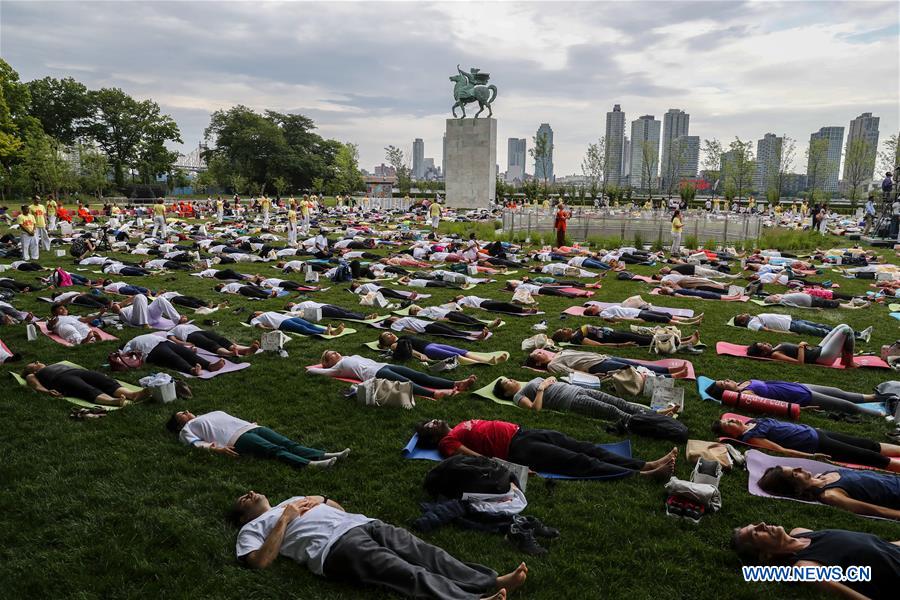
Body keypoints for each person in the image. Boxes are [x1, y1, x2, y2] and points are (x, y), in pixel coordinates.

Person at [230, 490, 525, 600]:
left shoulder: (290, 498)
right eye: (243, 499)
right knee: (404, 571)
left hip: (363, 524)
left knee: (426, 553)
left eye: (250, 491)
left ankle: (487, 579)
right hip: (334, 549)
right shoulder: (251, 529)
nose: (250, 492)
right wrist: (285, 519)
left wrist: (320, 499)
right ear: (243, 516)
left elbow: (338, 506)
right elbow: (259, 562)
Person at [416, 418, 677, 480]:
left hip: (524, 433)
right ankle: (642, 475)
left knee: (586, 447)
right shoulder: (446, 442)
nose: (435, 420)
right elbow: (475, 458)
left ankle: (647, 464)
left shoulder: (457, 425)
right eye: (430, 425)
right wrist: (510, 470)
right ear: (433, 436)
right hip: (517, 449)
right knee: (577, 460)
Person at [731, 524, 900, 599]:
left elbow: (876, 546)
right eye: (756, 533)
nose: (762, 524)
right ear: (765, 556)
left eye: (755, 524)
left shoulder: (801, 533)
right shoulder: (804, 567)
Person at [167, 410, 347, 469]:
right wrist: (216, 449)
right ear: (178, 423)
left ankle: (324, 454)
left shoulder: (208, 412)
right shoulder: (186, 429)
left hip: (251, 427)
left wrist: (251, 424)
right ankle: (310, 464)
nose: (186, 411)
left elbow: (230, 419)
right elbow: (196, 443)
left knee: (287, 443)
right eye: (181, 414)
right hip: (235, 439)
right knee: (274, 450)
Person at [712, 416, 900, 471]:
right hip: (817, 445)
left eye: (728, 420)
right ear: (730, 434)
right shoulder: (752, 437)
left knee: (869, 444)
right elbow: (781, 450)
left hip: (817, 432)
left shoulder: (753, 421)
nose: (732, 421)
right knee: (867, 456)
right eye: (728, 425)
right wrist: (811, 457)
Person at [309, 351, 476, 399]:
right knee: (406, 382)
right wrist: (316, 368)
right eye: (329, 354)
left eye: (333, 351)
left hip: (384, 365)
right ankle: (434, 393)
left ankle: (455, 383)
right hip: (375, 373)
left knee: (420, 376)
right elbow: (314, 370)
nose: (333, 352)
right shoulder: (336, 368)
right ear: (327, 362)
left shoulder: (347, 357)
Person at [493, 376, 668, 421]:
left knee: (620, 402)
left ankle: (656, 414)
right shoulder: (517, 396)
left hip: (577, 390)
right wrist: (541, 388)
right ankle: (652, 420)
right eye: (507, 382)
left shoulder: (524, 385)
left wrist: (550, 381)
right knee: (614, 412)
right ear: (506, 393)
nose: (511, 380)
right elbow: (534, 409)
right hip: (571, 401)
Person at [758, 465, 900, 520]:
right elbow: (877, 511)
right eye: (795, 474)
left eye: (795, 468)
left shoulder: (825, 474)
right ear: (796, 489)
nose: (800, 468)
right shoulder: (831, 495)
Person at [708, 379, 887, 416]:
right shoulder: (747, 395)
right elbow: (772, 405)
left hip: (798, 387)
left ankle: (875, 398)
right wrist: (799, 409)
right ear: (727, 393)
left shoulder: (742, 383)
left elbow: (769, 383)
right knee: (844, 405)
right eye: (724, 384)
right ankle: (879, 415)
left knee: (839, 391)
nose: (726, 380)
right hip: (801, 398)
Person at [22, 361, 150, 406]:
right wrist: (47, 392)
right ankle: (111, 401)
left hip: (77, 371)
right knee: (83, 388)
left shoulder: (53, 364)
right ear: (32, 369)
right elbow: (36, 386)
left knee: (104, 380)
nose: (37, 362)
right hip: (60, 379)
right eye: (34, 363)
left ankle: (133, 395)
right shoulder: (32, 375)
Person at [524, 347, 690, 378]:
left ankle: (668, 370)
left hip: (602, 357)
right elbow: (570, 372)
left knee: (636, 364)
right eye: (537, 354)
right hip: (596, 366)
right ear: (538, 363)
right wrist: (592, 377)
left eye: (539, 351)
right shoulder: (552, 365)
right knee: (634, 370)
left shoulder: (558, 353)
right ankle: (671, 377)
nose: (540, 352)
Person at [746, 324, 856, 367]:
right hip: (822, 357)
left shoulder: (776, 348)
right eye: (763, 346)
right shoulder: (775, 354)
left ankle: (845, 360)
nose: (766, 343)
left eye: (763, 342)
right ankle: (849, 362)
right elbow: (799, 363)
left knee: (842, 326)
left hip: (818, 349)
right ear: (763, 353)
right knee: (847, 330)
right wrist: (801, 346)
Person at [121, 333, 225, 376]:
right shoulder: (129, 343)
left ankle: (209, 365)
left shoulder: (140, 337)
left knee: (187, 353)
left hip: (164, 342)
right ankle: (192, 370)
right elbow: (126, 355)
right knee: (173, 358)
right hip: (151, 350)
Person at [376, 331, 508, 365]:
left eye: (389, 332)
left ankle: (490, 360)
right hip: (428, 350)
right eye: (386, 335)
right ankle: (485, 362)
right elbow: (407, 349)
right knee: (458, 357)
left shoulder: (400, 336)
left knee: (463, 352)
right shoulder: (394, 345)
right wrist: (419, 355)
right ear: (385, 343)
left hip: (431, 344)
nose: (389, 333)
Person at [733, 313, 872, 342]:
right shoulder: (751, 324)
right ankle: (855, 337)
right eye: (741, 316)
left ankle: (857, 333)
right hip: (791, 326)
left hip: (792, 320)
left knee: (823, 326)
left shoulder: (753, 317)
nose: (743, 314)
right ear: (742, 322)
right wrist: (788, 335)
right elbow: (767, 330)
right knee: (820, 332)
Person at [166, 324, 259, 357]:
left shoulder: (189, 324)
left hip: (201, 331)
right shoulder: (173, 329)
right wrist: (184, 343)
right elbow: (172, 338)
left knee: (220, 339)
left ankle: (245, 350)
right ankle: (230, 353)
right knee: (209, 343)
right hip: (190, 336)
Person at [584, 303, 704, 325]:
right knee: (662, 319)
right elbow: (619, 318)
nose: (595, 305)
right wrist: (635, 320)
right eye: (592, 306)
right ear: (593, 311)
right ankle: (691, 323)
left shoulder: (604, 310)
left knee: (666, 314)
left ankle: (690, 319)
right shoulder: (603, 314)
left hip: (638, 311)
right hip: (637, 315)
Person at [384, 316, 489, 340]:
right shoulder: (394, 324)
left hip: (428, 323)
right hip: (424, 328)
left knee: (451, 329)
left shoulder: (401, 318)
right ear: (391, 320)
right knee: (448, 332)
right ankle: (476, 337)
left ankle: (473, 334)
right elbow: (403, 330)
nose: (395, 316)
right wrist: (415, 333)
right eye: (392, 317)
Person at [111, 294, 187, 327]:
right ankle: (144, 324)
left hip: (151, 315)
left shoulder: (133, 303)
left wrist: (123, 302)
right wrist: (119, 306)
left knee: (160, 299)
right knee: (140, 296)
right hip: (138, 320)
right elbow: (115, 309)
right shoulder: (122, 312)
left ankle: (177, 320)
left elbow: (135, 297)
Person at [248, 310, 343, 336]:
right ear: (254, 314)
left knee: (309, 325)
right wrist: (267, 329)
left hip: (287, 318)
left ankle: (331, 331)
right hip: (280, 324)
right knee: (302, 328)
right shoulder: (255, 319)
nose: (260, 311)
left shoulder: (267, 313)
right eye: (257, 311)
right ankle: (322, 332)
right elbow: (258, 325)